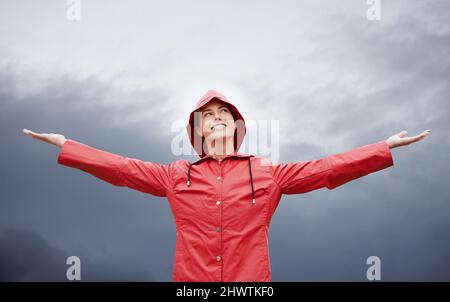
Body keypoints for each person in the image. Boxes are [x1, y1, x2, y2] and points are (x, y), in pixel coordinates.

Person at [22, 89, 430, 282]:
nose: (217, 117)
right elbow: (122, 168)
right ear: (197, 130)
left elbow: (326, 169)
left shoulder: (268, 173)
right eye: (208, 114)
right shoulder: (175, 176)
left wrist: (382, 148)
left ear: (235, 127)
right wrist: (68, 145)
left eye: (224, 113)